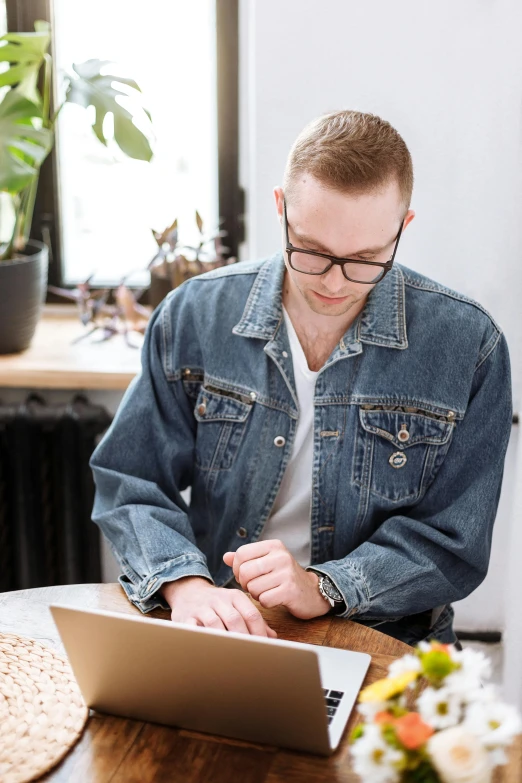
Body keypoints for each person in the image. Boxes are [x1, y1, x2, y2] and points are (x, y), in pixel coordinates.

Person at [91, 110, 512, 646]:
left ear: (403, 227)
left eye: (364, 259)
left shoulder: (468, 345)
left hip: (387, 633)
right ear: (281, 208)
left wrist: (325, 587)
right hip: (222, 620)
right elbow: (130, 480)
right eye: (311, 251)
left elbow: (455, 543)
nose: (334, 282)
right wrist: (186, 583)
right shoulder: (194, 315)